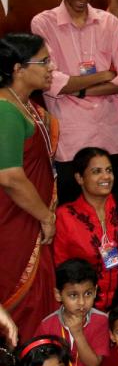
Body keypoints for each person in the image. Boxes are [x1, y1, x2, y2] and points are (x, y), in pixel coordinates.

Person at [31, 0, 118, 201]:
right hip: (71, 137)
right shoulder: (43, 23)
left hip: (110, 132)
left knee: (113, 206)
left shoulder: (108, 22)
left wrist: (79, 89)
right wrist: (102, 75)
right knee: (73, 210)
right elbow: (51, 81)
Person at [0, 32, 58, 341]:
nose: (52, 67)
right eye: (44, 61)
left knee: (41, 299)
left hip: (30, 216)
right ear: (18, 69)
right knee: (21, 302)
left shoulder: (27, 105)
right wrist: (45, 216)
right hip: (13, 220)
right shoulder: (5, 110)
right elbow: (9, 176)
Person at [54, 147, 118, 311]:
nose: (106, 176)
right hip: (82, 310)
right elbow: (62, 271)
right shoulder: (65, 216)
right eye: (96, 171)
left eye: (109, 170)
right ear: (79, 178)